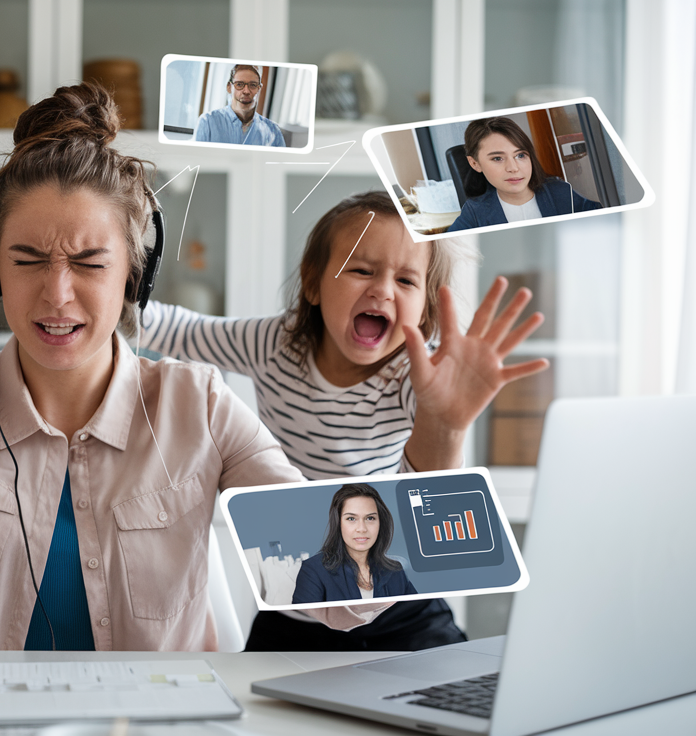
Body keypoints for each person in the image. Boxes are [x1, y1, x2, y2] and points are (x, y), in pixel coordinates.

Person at [0, 83, 386, 651]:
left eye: (87, 262)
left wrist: (435, 438)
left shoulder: (201, 406)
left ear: (134, 275)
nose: (57, 294)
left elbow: (343, 600)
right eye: (26, 260)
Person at [138, 190, 549, 650]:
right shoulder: (273, 343)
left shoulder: (416, 376)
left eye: (408, 281)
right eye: (361, 270)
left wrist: (446, 424)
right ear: (313, 284)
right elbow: (174, 329)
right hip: (296, 606)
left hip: (399, 606)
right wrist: (109, 289)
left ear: (427, 312)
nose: (382, 290)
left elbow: (434, 509)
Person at [446, 116, 601, 231]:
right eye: (498, 158)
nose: (513, 168)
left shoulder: (560, 192)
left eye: (520, 155)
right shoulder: (475, 212)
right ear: (475, 163)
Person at [292, 484, 416, 604]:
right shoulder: (313, 570)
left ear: (380, 522)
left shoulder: (395, 571)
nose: (361, 529)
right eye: (351, 519)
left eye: (370, 518)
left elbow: (419, 615)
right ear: (338, 523)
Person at [193, 64, 286, 147]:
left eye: (252, 85)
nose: (246, 91)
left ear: (259, 89)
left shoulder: (274, 131)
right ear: (229, 87)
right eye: (239, 84)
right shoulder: (207, 122)